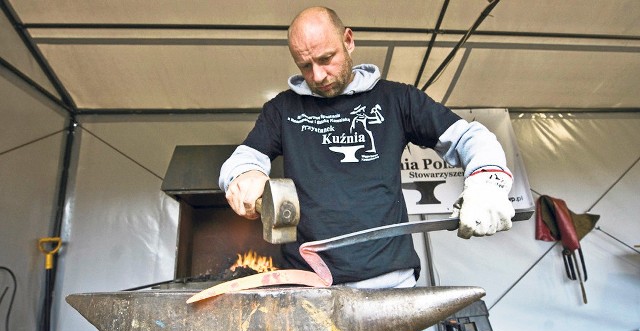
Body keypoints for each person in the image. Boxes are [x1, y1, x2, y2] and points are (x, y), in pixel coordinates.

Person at [219, 6, 514, 290]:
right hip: (310, 288)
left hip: (390, 288)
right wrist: (245, 175)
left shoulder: (397, 100)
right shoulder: (283, 109)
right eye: (305, 65)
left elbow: (469, 137)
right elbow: (244, 158)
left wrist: (488, 183)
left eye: (326, 58)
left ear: (348, 41)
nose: (318, 75)